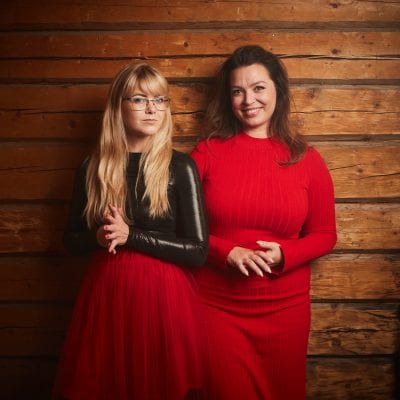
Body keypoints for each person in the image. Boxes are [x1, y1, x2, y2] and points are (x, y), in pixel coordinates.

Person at [52, 63, 208, 400]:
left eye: (160, 99)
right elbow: (70, 240)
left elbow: (198, 251)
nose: (152, 109)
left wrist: (131, 236)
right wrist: (97, 237)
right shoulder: (92, 167)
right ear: (118, 107)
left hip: (165, 299)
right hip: (107, 296)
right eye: (139, 99)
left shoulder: (180, 166)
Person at [191, 45, 337, 399]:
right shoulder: (207, 153)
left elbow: (325, 234)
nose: (248, 100)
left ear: (277, 90)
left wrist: (286, 254)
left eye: (258, 88)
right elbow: (179, 225)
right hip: (217, 308)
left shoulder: (307, 159)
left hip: (285, 310)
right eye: (237, 91)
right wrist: (226, 252)